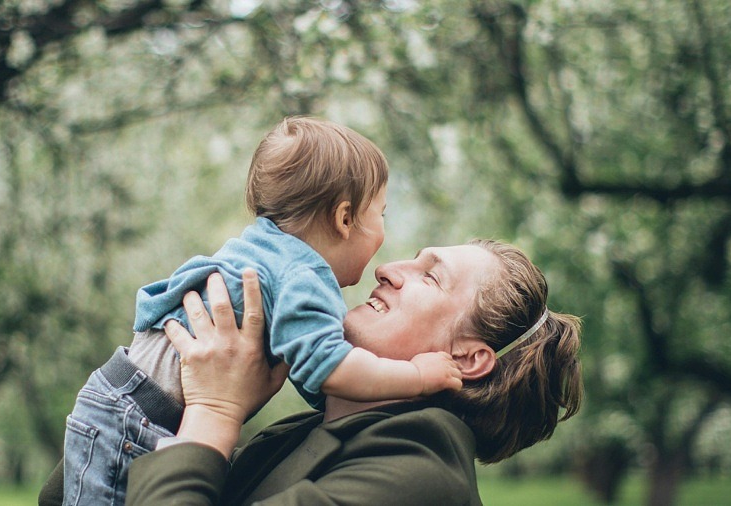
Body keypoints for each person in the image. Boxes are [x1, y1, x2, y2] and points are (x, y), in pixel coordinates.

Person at [62, 117, 462, 506]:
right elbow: (330, 369)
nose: (385, 263)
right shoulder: (303, 274)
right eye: (382, 214)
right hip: (139, 416)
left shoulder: (261, 249)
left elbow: (312, 373)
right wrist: (417, 375)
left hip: (119, 394)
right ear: (344, 218)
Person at [41, 239, 583, 505]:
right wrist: (164, 388)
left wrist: (214, 411)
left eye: (430, 276)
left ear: (468, 359)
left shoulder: (419, 481)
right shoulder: (305, 433)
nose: (387, 268)